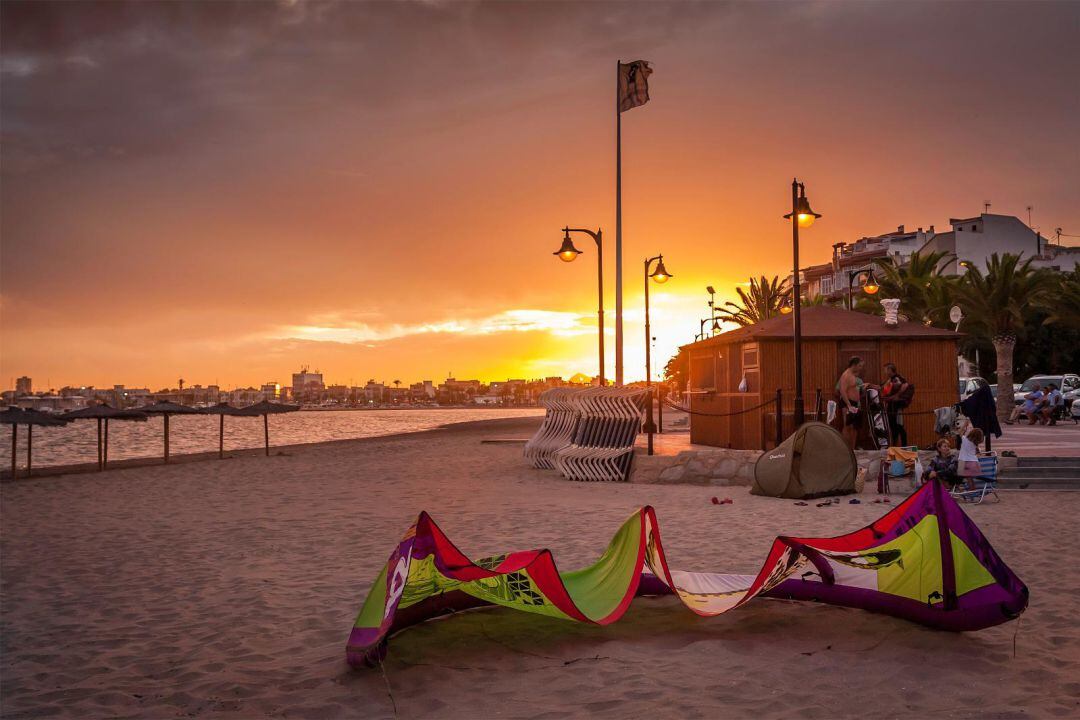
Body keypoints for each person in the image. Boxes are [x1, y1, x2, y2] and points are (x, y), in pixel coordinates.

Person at [836, 356, 865, 450]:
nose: (861, 368)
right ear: (855, 365)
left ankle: (852, 448)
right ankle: (845, 449)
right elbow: (842, 391)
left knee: (855, 426)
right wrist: (848, 404)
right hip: (847, 402)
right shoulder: (846, 375)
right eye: (860, 366)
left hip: (855, 403)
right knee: (847, 425)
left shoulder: (853, 375)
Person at [880, 362, 911, 446]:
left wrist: (895, 396)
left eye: (886, 370)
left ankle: (903, 446)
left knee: (899, 426)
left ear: (890, 370)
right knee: (893, 427)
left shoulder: (896, 378)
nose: (885, 372)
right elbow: (884, 389)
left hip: (896, 407)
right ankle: (894, 445)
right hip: (891, 406)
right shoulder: (890, 379)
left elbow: (904, 385)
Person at [957, 422, 984, 492]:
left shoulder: (964, 439)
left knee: (960, 476)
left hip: (964, 461)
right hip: (974, 463)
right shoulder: (975, 444)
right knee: (969, 478)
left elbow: (959, 432)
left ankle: (971, 489)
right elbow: (978, 453)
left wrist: (964, 425)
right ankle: (972, 488)